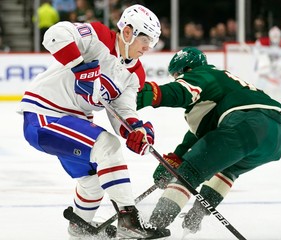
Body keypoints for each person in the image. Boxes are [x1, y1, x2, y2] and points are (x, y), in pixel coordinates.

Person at [18, 4, 170, 240]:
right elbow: (54, 35)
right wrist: (79, 67)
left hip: (72, 123)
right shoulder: (97, 36)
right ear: (128, 33)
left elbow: (122, 111)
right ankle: (128, 220)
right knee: (106, 145)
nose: (148, 47)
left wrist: (136, 131)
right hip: (44, 115)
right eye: (145, 39)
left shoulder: (135, 74)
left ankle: (80, 227)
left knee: (92, 182)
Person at [136, 47, 281, 236]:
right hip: (276, 135)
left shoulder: (203, 74)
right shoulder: (224, 85)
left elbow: (181, 91)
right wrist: (177, 157)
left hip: (247, 122)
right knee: (228, 168)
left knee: (189, 173)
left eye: (177, 74)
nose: (177, 78)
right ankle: (196, 216)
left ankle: (153, 226)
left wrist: (147, 94)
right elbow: (200, 136)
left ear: (188, 69)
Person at [254, 26, 281, 101]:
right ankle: (258, 93)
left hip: (278, 63)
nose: (275, 38)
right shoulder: (262, 42)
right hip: (267, 63)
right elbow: (256, 52)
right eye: (273, 36)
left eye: (277, 36)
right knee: (263, 70)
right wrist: (263, 58)